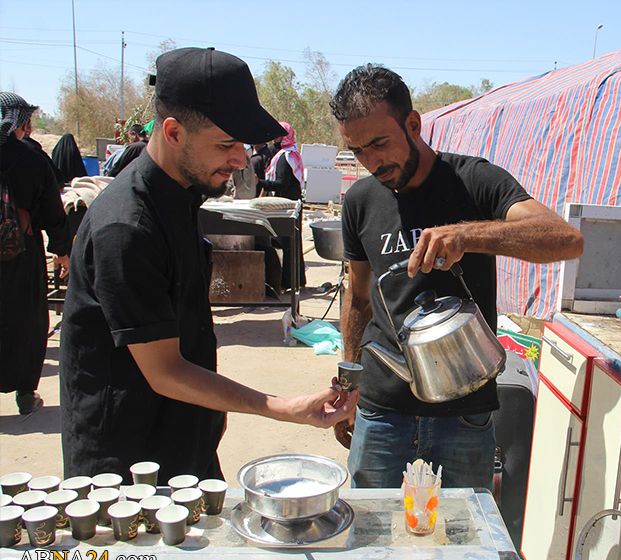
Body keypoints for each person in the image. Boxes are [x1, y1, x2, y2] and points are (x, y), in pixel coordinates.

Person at [59, 48, 358, 481]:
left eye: (242, 144)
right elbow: (165, 371)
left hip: (184, 445)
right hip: (128, 470)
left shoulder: (180, 196)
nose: (240, 159)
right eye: (226, 144)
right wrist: (279, 406)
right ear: (174, 132)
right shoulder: (126, 228)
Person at [330, 65, 583, 489]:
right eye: (357, 150)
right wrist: (348, 381)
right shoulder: (360, 200)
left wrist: (468, 234)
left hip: (463, 415)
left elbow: (566, 239)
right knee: (373, 540)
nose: (372, 162)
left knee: (461, 540)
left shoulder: (474, 181)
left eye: (379, 143)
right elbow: (358, 298)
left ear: (413, 124)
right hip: (381, 411)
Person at [0, 92, 71, 415]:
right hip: (20, 251)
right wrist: (61, 250)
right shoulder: (30, 158)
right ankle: (26, 392)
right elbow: (51, 208)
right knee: (26, 320)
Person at [260, 121, 305, 289]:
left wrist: (262, 182)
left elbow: (281, 183)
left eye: (278, 135)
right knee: (292, 246)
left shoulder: (285, 157)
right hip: (292, 205)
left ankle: (289, 282)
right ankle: (295, 281)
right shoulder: (289, 154)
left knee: (287, 245)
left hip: (286, 207)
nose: (275, 139)